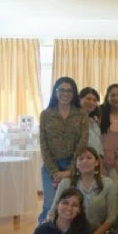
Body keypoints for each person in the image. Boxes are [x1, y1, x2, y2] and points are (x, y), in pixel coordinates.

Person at [38, 76, 89, 223]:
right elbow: (44, 145)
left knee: (72, 207)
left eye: (69, 91)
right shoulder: (46, 115)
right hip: (50, 167)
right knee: (50, 205)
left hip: (75, 165)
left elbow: (82, 143)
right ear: (55, 92)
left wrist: (71, 170)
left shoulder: (81, 115)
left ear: (74, 94)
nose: (65, 93)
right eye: (61, 90)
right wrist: (54, 172)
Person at [49, 146, 118, 234]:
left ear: (97, 162)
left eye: (89, 158)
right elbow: (52, 211)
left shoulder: (109, 184)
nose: (85, 161)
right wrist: (57, 232)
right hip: (69, 232)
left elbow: (111, 218)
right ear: (76, 164)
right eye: (80, 158)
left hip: (98, 233)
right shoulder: (66, 183)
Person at [78, 87, 103, 162]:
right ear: (80, 99)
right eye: (88, 99)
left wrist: (100, 159)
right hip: (82, 162)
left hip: (96, 161)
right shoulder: (74, 118)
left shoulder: (93, 120)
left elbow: (97, 143)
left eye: (95, 100)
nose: (92, 102)